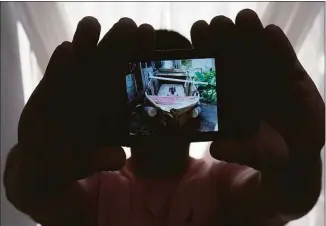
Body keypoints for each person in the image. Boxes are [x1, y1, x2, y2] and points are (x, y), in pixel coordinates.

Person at [3, 9, 324, 226]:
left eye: (180, 89)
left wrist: (298, 163)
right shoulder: (100, 184)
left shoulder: (220, 180)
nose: (169, 103)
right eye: (157, 89)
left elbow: (282, 200)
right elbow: (35, 194)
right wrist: (36, 162)